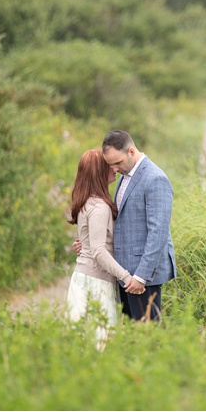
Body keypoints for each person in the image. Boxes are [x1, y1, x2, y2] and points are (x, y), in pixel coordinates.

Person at [75, 130, 177, 321]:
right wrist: (88, 243)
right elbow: (122, 225)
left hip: (142, 275)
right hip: (124, 274)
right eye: (110, 164)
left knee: (147, 333)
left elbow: (158, 233)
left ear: (131, 151)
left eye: (117, 163)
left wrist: (141, 277)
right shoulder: (124, 176)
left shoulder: (155, 179)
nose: (113, 169)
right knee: (130, 334)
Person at [65, 148, 134, 350]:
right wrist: (127, 277)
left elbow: (90, 243)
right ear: (98, 172)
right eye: (108, 165)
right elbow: (98, 251)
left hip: (85, 280)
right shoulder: (99, 206)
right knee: (99, 345)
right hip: (95, 283)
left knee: (85, 344)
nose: (114, 168)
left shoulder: (89, 201)